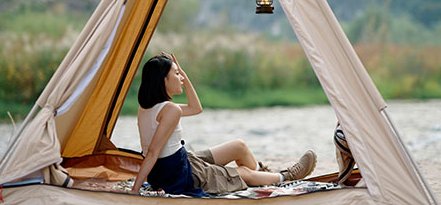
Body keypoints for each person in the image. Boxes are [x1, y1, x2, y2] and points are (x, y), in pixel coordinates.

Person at [130, 53, 317, 196]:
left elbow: (196, 108)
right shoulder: (170, 110)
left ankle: (264, 175)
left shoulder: (148, 108)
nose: (181, 78)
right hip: (179, 175)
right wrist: (135, 191)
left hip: (180, 162)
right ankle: (286, 176)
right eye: (177, 74)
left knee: (239, 146)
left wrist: (184, 77)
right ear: (164, 80)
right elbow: (153, 152)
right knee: (242, 172)